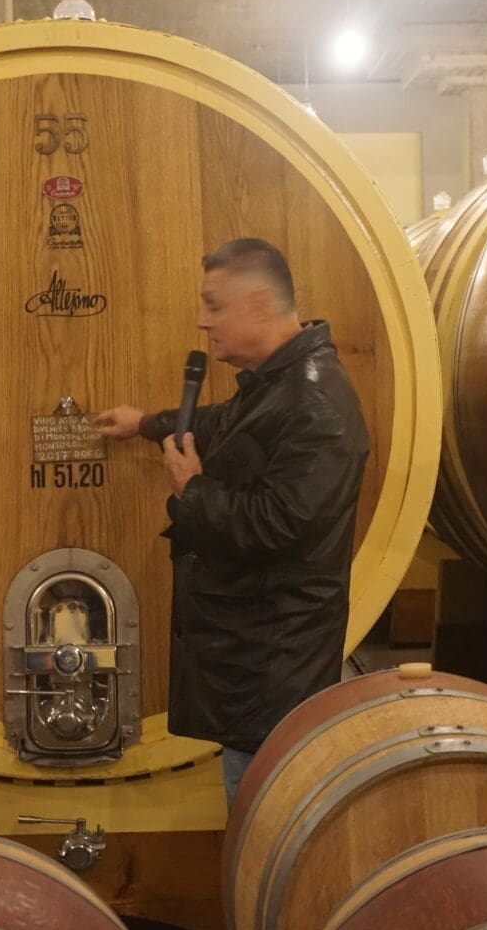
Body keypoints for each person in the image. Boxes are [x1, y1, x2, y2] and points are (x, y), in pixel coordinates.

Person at [96, 238, 369, 805]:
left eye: (214, 305)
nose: (203, 321)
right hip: (254, 662)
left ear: (259, 305)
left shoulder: (316, 404)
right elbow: (224, 423)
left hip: (273, 672)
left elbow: (279, 524)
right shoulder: (278, 385)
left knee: (261, 819)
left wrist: (192, 490)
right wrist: (146, 423)